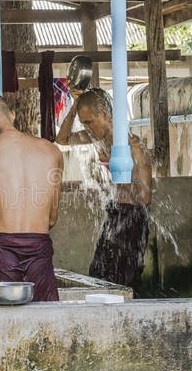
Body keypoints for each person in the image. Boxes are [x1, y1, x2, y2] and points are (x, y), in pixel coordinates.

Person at [0, 92, 64, 302]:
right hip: (39, 248)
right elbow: (52, 219)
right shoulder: (52, 152)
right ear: (13, 114)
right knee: (44, 322)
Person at [55, 87, 152, 294]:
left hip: (133, 218)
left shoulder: (133, 147)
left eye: (89, 122)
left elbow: (145, 196)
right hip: (114, 212)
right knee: (98, 275)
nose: (87, 128)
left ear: (106, 115)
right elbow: (61, 139)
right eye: (83, 124)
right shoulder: (96, 138)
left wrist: (117, 172)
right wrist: (75, 104)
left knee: (125, 280)